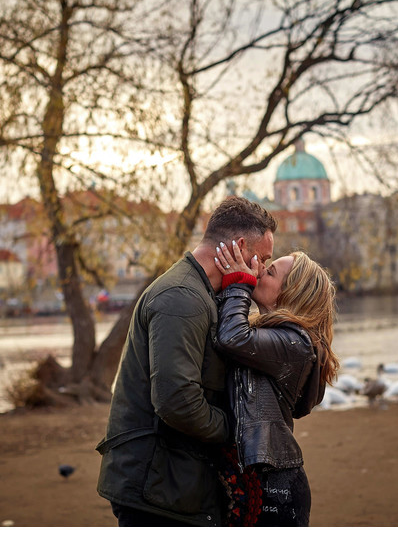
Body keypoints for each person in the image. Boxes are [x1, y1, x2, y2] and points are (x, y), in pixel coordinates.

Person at [96, 196, 277, 526]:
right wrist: (239, 432)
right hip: (157, 490)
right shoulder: (182, 298)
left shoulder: (201, 293)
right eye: (262, 258)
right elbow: (177, 402)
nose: (263, 270)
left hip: (171, 482)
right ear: (238, 247)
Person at [212, 241, 339, 526]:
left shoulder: (297, 343)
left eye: (268, 272)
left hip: (275, 488)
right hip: (258, 481)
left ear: (290, 293)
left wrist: (238, 284)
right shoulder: (276, 339)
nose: (256, 270)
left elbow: (232, 337)